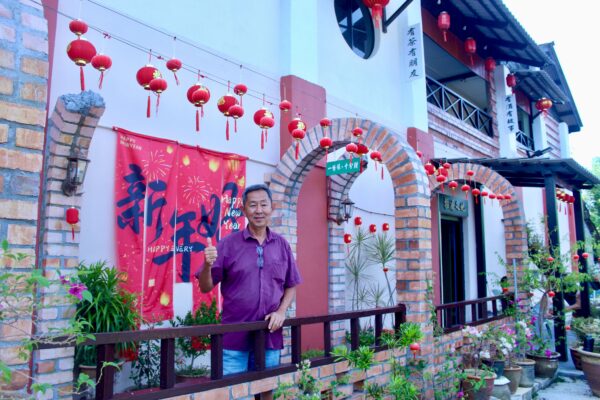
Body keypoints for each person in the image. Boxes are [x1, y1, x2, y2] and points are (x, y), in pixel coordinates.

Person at [196, 183, 302, 376]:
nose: (259, 210)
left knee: (267, 388)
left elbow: (291, 284)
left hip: (269, 335)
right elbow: (205, 287)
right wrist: (207, 265)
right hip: (234, 338)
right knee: (233, 390)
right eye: (253, 205)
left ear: (272, 208)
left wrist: (281, 311)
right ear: (243, 210)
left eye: (263, 204)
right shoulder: (228, 244)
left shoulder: (282, 245)